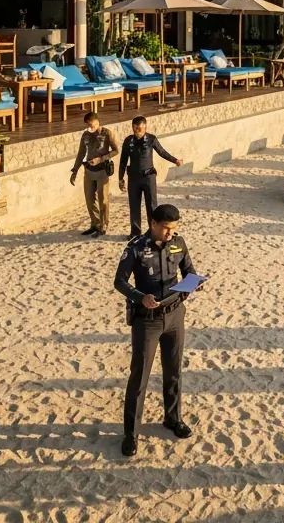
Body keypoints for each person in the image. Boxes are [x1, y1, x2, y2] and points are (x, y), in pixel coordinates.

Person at [114, 203, 201, 457]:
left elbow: (189, 271)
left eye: (174, 229)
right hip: (148, 320)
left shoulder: (179, 243)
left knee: (173, 371)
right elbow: (119, 281)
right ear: (153, 224)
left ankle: (172, 419)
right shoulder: (136, 248)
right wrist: (140, 297)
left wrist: (194, 283)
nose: (170, 234)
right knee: (139, 377)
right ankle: (131, 434)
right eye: (165, 228)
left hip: (175, 315)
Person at [119, 116, 183, 238]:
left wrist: (175, 160)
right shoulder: (128, 141)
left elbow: (162, 152)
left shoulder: (151, 139)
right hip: (133, 178)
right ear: (133, 127)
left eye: (141, 128)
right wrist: (120, 178)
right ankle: (135, 232)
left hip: (148, 177)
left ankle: (153, 231)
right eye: (136, 128)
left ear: (145, 127)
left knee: (152, 206)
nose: (138, 131)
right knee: (134, 205)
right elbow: (123, 160)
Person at [69, 111, 119, 236]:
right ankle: (95, 224)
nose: (89, 127)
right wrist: (75, 170)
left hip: (102, 171)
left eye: (91, 125)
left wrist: (100, 159)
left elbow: (116, 150)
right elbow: (81, 153)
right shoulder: (85, 135)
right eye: (87, 125)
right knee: (90, 199)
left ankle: (103, 226)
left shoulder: (107, 133)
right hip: (89, 171)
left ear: (97, 122)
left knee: (103, 200)